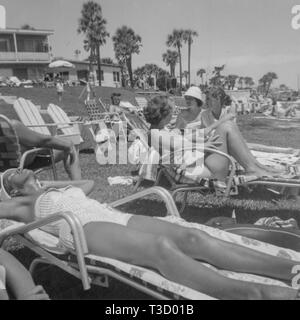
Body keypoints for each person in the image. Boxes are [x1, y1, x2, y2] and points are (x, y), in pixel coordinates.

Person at [0, 168, 300, 300]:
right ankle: (248, 294)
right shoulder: (20, 204)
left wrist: (47, 184)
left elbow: (88, 184)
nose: (19, 168)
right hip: (80, 229)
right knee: (160, 248)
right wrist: (31, 192)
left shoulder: (57, 189)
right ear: (11, 188)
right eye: (12, 172)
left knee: (192, 238)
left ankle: (290, 268)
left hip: (112, 215)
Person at [175, 86, 281, 179]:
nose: (208, 102)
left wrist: (210, 128)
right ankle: (253, 168)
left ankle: (259, 167)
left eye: (210, 99)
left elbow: (230, 116)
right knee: (227, 126)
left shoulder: (229, 109)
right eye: (207, 99)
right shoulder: (204, 115)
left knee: (229, 126)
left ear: (219, 99)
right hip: (215, 150)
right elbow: (203, 136)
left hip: (225, 147)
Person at [9, 119, 81, 180]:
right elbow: (43, 141)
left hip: (5, 167)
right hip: (24, 163)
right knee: (69, 146)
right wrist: (68, 145)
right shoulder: (10, 126)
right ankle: (79, 188)